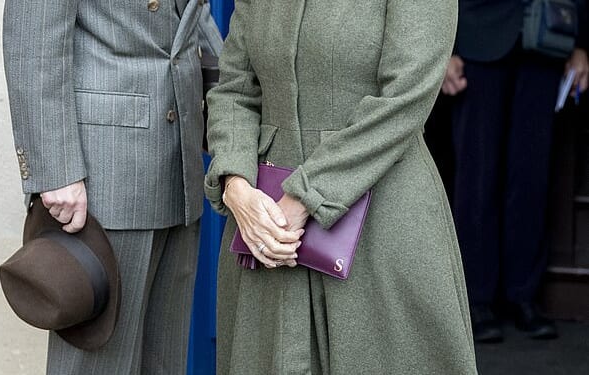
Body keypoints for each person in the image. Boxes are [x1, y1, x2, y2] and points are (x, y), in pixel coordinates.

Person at [204, 0, 477, 373]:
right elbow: (234, 87)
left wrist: (305, 196)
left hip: (381, 221)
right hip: (265, 226)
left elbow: (406, 96)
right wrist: (234, 184)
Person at [2, 0, 222, 373]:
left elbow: (191, 16)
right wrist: (54, 170)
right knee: (96, 363)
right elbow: (30, 42)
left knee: (164, 361)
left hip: (179, 163)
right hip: (102, 178)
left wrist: (234, 106)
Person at [441, 0, 589, 343]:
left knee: (531, 178)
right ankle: (476, 299)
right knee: (477, 178)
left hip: (548, 41)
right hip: (476, 39)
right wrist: (444, 47)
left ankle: (524, 296)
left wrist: (579, 41)